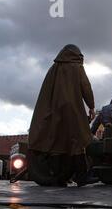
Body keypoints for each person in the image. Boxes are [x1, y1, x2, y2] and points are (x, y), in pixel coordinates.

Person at [29, 44, 97, 187]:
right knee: (77, 141)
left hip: (53, 110)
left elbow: (45, 93)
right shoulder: (76, 67)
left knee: (57, 142)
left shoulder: (53, 69)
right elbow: (85, 86)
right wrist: (91, 106)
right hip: (72, 109)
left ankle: (58, 175)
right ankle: (82, 177)